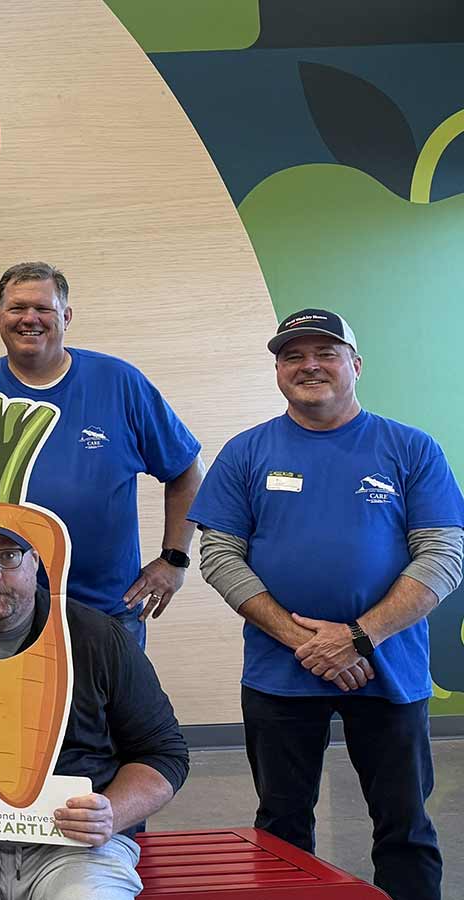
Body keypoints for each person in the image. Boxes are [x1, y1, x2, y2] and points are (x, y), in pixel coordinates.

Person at [188, 309, 461, 900]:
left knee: (405, 828)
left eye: (326, 352)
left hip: (388, 670)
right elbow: (218, 557)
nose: (309, 364)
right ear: (279, 370)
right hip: (278, 675)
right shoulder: (246, 452)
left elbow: (442, 558)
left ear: (355, 366)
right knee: (282, 829)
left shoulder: (411, 448)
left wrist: (359, 637)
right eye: (293, 355)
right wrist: (305, 642)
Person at [0, 526, 189, 899]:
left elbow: (163, 754)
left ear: (36, 562)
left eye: (9, 556)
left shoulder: (98, 638)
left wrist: (111, 812)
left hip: (76, 844)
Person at [0, 263, 203, 645]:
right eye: (16, 308)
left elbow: (186, 470)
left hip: (107, 612)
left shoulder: (119, 383)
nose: (29, 318)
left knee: (113, 707)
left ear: (65, 316)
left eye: (43, 308)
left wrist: (174, 560)